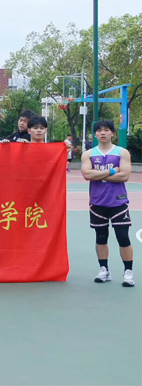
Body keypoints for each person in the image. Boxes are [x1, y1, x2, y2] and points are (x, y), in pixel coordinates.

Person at [81, 120, 133, 287]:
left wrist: (98, 174)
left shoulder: (122, 152)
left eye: (106, 130)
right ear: (95, 134)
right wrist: (111, 171)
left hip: (118, 202)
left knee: (123, 237)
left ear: (112, 133)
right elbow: (87, 175)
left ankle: (128, 272)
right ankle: (104, 269)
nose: (103, 133)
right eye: (99, 130)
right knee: (101, 237)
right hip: (97, 202)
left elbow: (124, 176)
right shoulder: (88, 154)